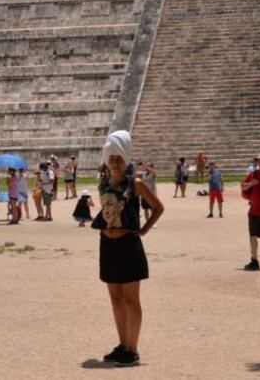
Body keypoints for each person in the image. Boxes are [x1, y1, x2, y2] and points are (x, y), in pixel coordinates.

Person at [94, 130, 162, 368]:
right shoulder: (103, 184)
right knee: (116, 299)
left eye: (119, 157)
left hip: (128, 245)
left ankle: (133, 350)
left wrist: (144, 230)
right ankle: (123, 345)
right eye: (111, 156)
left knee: (131, 300)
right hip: (107, 244)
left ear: (126, 158)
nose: (114, 161)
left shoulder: (136, 184)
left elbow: (158, 207)